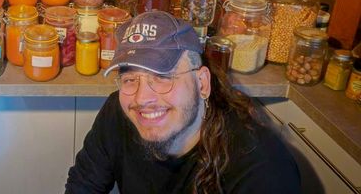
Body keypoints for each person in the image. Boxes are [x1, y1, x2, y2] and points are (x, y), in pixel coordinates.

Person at [66, 11, 301, 194]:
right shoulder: (118, 112)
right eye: (129, 79)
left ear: (202, 83)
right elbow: (83, 186)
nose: (141, 98)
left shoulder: (262, 169)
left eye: (162, 77)